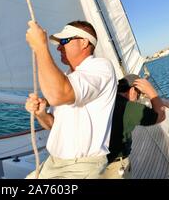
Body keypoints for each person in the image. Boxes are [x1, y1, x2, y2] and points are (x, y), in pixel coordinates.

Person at [25, 19, 117, 179]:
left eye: (65, 41)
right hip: (53, 163)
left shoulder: (101, 67)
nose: (59, 47)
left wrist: (40, 47)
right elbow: (52, 124)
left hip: (80, 167)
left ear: (84, 42)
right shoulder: (68, 77)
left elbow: (58, 94)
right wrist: (41, 114)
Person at [100, 74, 166, 179]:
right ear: (132, 91)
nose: (138, 98)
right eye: (138, 94)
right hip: (114, 167)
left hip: (95, 164)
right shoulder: (127, 107)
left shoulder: (106, 100)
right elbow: (161, 115)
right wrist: (151, 91)